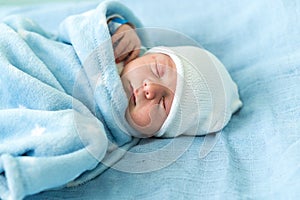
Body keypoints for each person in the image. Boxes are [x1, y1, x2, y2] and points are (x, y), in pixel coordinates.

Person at [108, 15, 243, 138]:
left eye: (162, 104)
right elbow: (93, 26)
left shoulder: (107, 139)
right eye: (157, 70)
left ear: (159, 132)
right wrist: (121, 28)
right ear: (149, 54)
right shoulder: (119, 52)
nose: (150, 89)